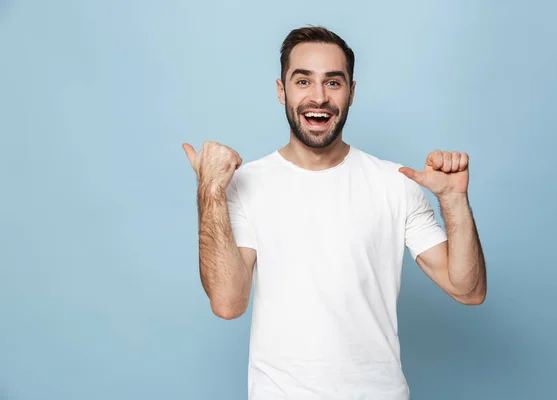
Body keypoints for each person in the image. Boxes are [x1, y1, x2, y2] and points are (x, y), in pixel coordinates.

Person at [182, 25, 487, 400]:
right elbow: (228, 303)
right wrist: (210, 188)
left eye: (333, 82)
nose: (319, 97)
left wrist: (454, 200)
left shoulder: (396, 183)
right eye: (303, 81)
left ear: (352, 92)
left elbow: (469, 290)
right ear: (282, 91)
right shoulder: (247, 186)